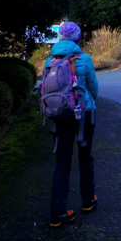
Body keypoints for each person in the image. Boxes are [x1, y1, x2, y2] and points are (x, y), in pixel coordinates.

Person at [43, 21, 99, 228]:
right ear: (78, 38)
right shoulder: (84, 59)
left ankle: (57, 212)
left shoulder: (50, 60)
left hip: (60, 114)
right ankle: (88, 201)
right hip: (84, 114)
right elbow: (94, 89)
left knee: (62, 161)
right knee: (86, 157)